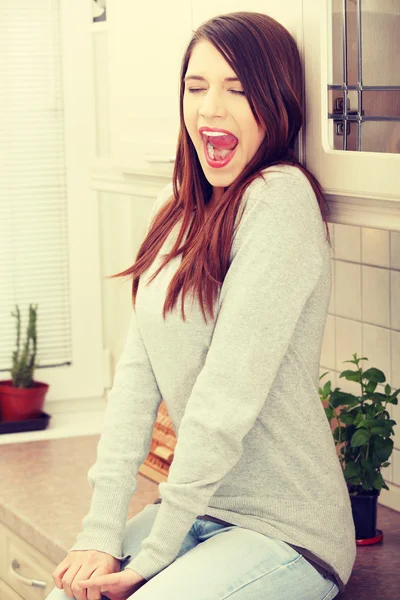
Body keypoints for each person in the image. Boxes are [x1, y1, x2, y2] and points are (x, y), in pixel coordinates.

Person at [46, 11, 356, 600]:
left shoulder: (280, 201)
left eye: (238, 90)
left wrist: (150, 561)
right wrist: (101, 531)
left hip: (288, 532)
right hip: (198, 513)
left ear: (278, 102)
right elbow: (138, 381)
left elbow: (224, 399)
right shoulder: (176, 205)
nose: (210, 108)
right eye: (196, 87)